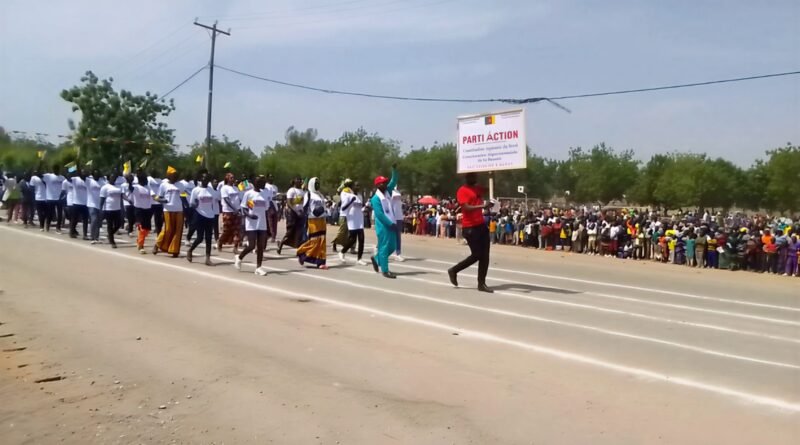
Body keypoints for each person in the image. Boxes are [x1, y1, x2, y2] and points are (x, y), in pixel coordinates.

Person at [448, 172, 493, 293]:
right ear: (467, 177)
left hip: (481, 225)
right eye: (472, 176)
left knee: (485, 256)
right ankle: (454, 270)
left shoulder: (477, 188)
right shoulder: (462, 191)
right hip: (470, 227)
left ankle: (481, 283)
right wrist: (483, 206)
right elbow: (466, 207)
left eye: (475, 175)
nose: (475, 177)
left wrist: (493, 173)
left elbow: (489, 188)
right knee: (477, 254)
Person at [235, 175, 272, 276]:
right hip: (251, 223)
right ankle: (239, 257)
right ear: (256, 183)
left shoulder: (265, 194)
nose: (264, 183)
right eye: (261, 182)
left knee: (260, 246)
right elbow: (244, 208)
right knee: (251, 246)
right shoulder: (249, 194)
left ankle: (258, 267)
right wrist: (249, 215)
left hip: (262, 223)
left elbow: (266, 207)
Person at [369, 165, 398, 279]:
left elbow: (394, 180)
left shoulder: (387, 191)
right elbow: (379, 214)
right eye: (382, 183)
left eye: (385, 182)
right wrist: (390, 224)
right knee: (384, 247)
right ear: (377, 185)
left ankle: (376, 259)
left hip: (391, 223)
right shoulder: (375, 199)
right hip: (383, 226)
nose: (385, 184)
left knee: (392, 246)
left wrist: (394, 170)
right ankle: (385, 271)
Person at [296, 177, 329, 269]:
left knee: (322, 241)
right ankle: (302, 253)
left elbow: (324, 207)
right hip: (313, 220)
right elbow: (305, 207)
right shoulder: (308, 194)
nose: (317, 186)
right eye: (316, 184)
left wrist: (325, 212)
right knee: (314, 241)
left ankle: (321, 262)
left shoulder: (321, 195)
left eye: (318, 184)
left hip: (322, 219)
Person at [154, 166, 184, 258]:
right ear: (169, 176)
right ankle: (157, 245)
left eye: (176, 175)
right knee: (168, 229)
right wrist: (163, 201)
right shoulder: (164, 185)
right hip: (168, 209)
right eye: (173, 175)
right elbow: (158, 197)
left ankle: (174, 250)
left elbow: (183, 196)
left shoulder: (181, 185)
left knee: (178, 230)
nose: (176, 176)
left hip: (179, 210)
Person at [186, 173, 215, 266]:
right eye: (204, 178)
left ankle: (207, 258)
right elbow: (191, 204)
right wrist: (196, 204)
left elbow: (212, 202)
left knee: (209, 238)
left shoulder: (211, 190)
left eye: (207, 179)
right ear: (201, 179)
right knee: (200, 238)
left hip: (210, 216)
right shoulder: (196, 190)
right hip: (200, 215)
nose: (205, 180)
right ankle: (190, 250)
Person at [338, 181, 368, 265]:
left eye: (359, 186)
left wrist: (364, 208)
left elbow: (361, 206)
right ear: (352, 187)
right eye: (356, 186)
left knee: (361, 239)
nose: (358, 187)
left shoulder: (360, 196)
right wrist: (351, 201)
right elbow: (343, 208)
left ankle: (359, 259)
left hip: (359, 220)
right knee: (352, 239)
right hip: (352, 220)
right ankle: (342, 252)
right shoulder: (348, 196)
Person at [277, 177, 305, 255]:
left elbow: (303, 203)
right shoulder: (291, 190)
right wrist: (296, 211)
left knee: (299, 232)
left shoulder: (302, 191)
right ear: (294, 182)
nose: (299, 181)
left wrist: (302, 211)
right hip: (292, 214)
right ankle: (281, 245)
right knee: (290, 232)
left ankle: (299, 250)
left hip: (300, 213)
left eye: (300, 180)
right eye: (297, 180)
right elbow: (289, 203)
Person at [128, 171, 153, 254]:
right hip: (139, 210)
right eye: (145, 179)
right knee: (142, 229)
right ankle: (141, 246)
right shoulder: (136, 187)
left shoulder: (148, 187)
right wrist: (130, 182)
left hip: (148, 210)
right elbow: (131, 188)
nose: (147, 181)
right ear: (141, 180)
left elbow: (154, 195)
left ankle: (139, 240)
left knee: (147, 229)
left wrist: (161, 200)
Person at [217, 173, 241, 253]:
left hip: (237, 211)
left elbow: (239, 199)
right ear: (227, 179)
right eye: (231, 178)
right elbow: (226, 200)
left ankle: (235, 247)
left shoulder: (236, 188)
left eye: (233, 178)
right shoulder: (224, 188)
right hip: (227, 211)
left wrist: (239, 208)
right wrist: (233, 208)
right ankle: (220, 242)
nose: (233, 179)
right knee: (227, 230)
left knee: (237, 230)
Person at [99, 172, 123, 248]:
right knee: (110, 225)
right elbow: (102, 199)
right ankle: (112, 241)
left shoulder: (118, 187)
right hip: (108, 209)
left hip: (117, 208)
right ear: (109, 178)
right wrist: (100, 209)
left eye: (115, 177)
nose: (113, 179)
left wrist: (128, 201)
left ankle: (110, 234)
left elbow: (122, 197)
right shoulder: (105, 187)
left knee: (119, 224)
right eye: (112, 177)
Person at [332, 179, 353, 253]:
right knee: (342, 232)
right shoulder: (345, 191)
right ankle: (335, 243)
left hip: (350, 215)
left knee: (349, 232)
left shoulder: (349, 191)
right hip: (343, 215)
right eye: (350, 183)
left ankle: (348, 246)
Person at [42, 167, 65, 233]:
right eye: (55, 169)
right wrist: (41, 163)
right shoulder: (48, 176)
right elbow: (38, 174)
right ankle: (47, 226)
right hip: (50, 198)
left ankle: (58, 227)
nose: (56, 170)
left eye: (57, 169)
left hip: (59, 198)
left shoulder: (62, 178)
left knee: (60, 214)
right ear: (53, 170)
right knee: (49, 213)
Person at [68, 170, 89, 239]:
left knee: (85, 220)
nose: (84, 173)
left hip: (85, 203)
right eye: (82, 172)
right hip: (76, 202)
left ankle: (85, 235)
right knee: (74, 219)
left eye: (85, 172)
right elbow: (67, 177)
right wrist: (73, 168)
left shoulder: (88, 180)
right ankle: (71, 232)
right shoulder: (75, 179)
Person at [85, 171, 105, 243]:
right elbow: (81, 175)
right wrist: (77, 165)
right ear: (93, 175)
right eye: (95, 174)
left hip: (100, 204)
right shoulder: (89, 181)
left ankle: (96, 237)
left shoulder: (102, 182)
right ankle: (92, 236)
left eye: (97, 174)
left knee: (98, 221)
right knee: (94, 219)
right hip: (91, 204)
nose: (96, 175)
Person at [390, 185, 406, 261]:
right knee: (388, 236)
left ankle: (398, 253)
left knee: (398, 237)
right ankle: (379, 249)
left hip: (399, 218)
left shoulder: (398, 193)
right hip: (392, 218)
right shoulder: (391, 192)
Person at [265, 174, 279, 243]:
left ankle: (273, 236)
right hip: (268, 206)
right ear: (267, 178)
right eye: (270, 177)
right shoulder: (265, 186)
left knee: (274, 222)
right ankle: (270, 235)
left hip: (275, 206)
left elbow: (276, 197)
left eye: (272, 177)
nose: (271, 178)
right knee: (269, 222)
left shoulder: (275, 187)